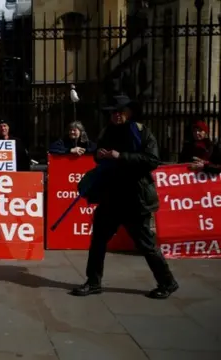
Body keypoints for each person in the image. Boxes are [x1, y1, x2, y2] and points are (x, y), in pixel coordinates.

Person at [71, 95, 179, 299]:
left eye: (120, 111)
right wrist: (100, 155)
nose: (116, 115)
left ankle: (167, 282)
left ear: (129, 112)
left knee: (146, 244)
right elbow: (97, 154)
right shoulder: (107, 131)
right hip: (111, 196)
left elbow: (152, 160)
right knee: (98, 240)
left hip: (135, 198)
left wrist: (120, 156)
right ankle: (93, 282)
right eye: (113, 112)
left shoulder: (142, 132)